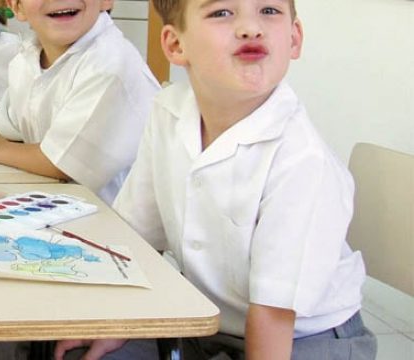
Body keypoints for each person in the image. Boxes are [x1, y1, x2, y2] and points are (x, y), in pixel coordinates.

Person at [55, 0, 378, 359]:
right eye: (222, 13)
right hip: (210, 322)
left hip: (305, 336)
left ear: (294, 37)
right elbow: (138, 239)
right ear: (176, 45)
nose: (250, 28)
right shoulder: (167, 112)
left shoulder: (303, 160)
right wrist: (120, 325)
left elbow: (274, 316)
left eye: (269, 11)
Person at [0, 0, 160, 205]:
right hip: (63, 206)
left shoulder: (110, 64)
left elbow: (61, 163)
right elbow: (8, 121)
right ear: (17, 6)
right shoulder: (29, 57)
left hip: (116, 230)